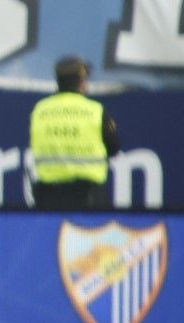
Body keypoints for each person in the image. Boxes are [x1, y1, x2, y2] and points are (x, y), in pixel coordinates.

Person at [27, 55, 118, 210]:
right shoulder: (95, 111)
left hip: (48, 198)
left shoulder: (39, 111)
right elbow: (114, 147)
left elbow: (34, 143)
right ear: (81, 82)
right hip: (87, 198)